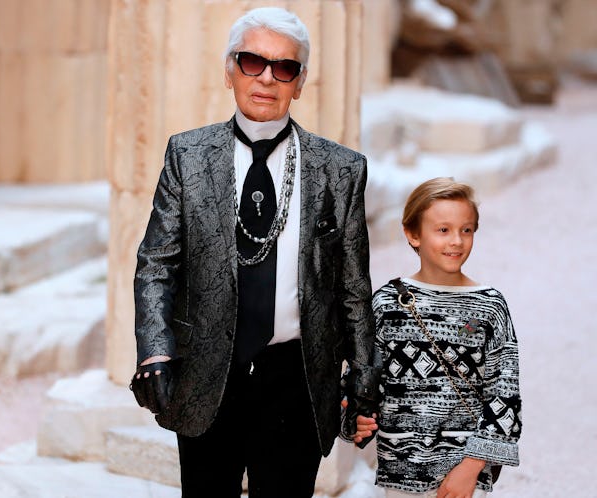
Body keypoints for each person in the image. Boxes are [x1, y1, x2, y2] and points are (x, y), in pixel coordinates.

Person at [128, 7, 379, 498]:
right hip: (206, 372)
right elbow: (156, 264)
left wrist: (364, 378)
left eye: (284, 68)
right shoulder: (187, 155)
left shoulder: (341, 170)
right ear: (229, 70)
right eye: (252, 62)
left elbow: (354, 286)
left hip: (298, 378)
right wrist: (155, 351)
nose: (267, 77)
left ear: (300, 83)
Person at [364, 178, 522, 498]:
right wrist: (355, 416)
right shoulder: (386, 303)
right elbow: (367, 379)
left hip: (464, 474)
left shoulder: (490, 305)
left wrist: (471, 466)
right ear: (412, 234)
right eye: (443, 230)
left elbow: (504, 393)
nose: (457, 241)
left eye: (467, 230)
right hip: (400, 470)